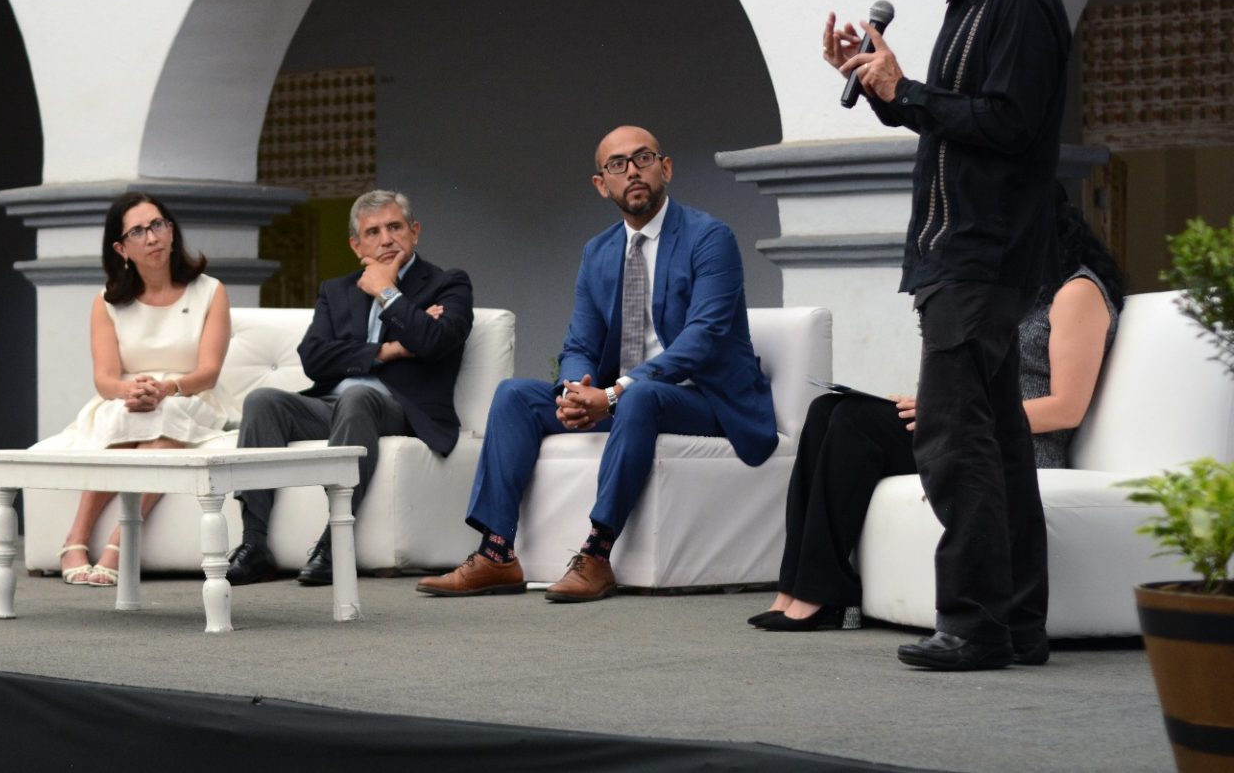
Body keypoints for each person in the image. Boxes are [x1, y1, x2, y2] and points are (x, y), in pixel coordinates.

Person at [826, 0, 1071, 670]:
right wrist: (885, 88)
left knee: (952, 439)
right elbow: (956, 123)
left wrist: (910, 93)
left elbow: (1008, 125)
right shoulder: (972, 2)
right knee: (997, 442)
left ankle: (972, 623)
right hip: (959, 256)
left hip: (981, 256)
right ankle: (1018, 622)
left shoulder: (1022, 0)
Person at [417, 125, 776, 603]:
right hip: (623, 401)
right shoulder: (599, 252)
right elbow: (580, 342)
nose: (633, 171)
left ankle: (597, 555)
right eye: (617, 165)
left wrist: (613, 392)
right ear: (601, 184)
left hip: (706, 400)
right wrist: (575, 391)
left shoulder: (709, 238)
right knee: (515, 396)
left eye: (644, 158)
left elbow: (703, 338)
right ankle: (497, 552)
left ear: (666, 168)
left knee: (641, 396)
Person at [754, 189, 1124, 633]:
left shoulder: (1077, 292)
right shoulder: (1016, 289)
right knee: (828, 410)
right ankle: (794, 586)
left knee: (853, 424)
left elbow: (1067, 409)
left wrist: (952, 413)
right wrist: (939, 405)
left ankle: (822, 593)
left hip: (1017, 447)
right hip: (966, 428)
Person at [225, 190, 474, 586]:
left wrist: (387, 292)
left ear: (414, 231)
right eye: (373, 232)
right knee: (263, 401)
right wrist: (390, 349)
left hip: (401, 410)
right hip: (332, 406)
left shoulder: (448, 284)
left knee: (359, 397)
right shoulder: (337, 290)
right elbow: (313, 357)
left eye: (395, 227)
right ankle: (254, 543)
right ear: (357, 246)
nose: (386, 239)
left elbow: (434, 342)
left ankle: (335, 541)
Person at [33, 192, 233, 587]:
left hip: (189, 394)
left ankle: (121, 540)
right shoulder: (106, 301)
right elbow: (105, 379)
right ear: (121, 248)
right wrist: (130, 391)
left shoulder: (210, 290)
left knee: (167, 414)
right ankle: (75, 538)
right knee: (124, 417)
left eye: (158, 225)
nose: (152, 237)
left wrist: (167, 388)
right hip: (129, 396)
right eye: (138, 231)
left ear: (171, 231)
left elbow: (208, 372)